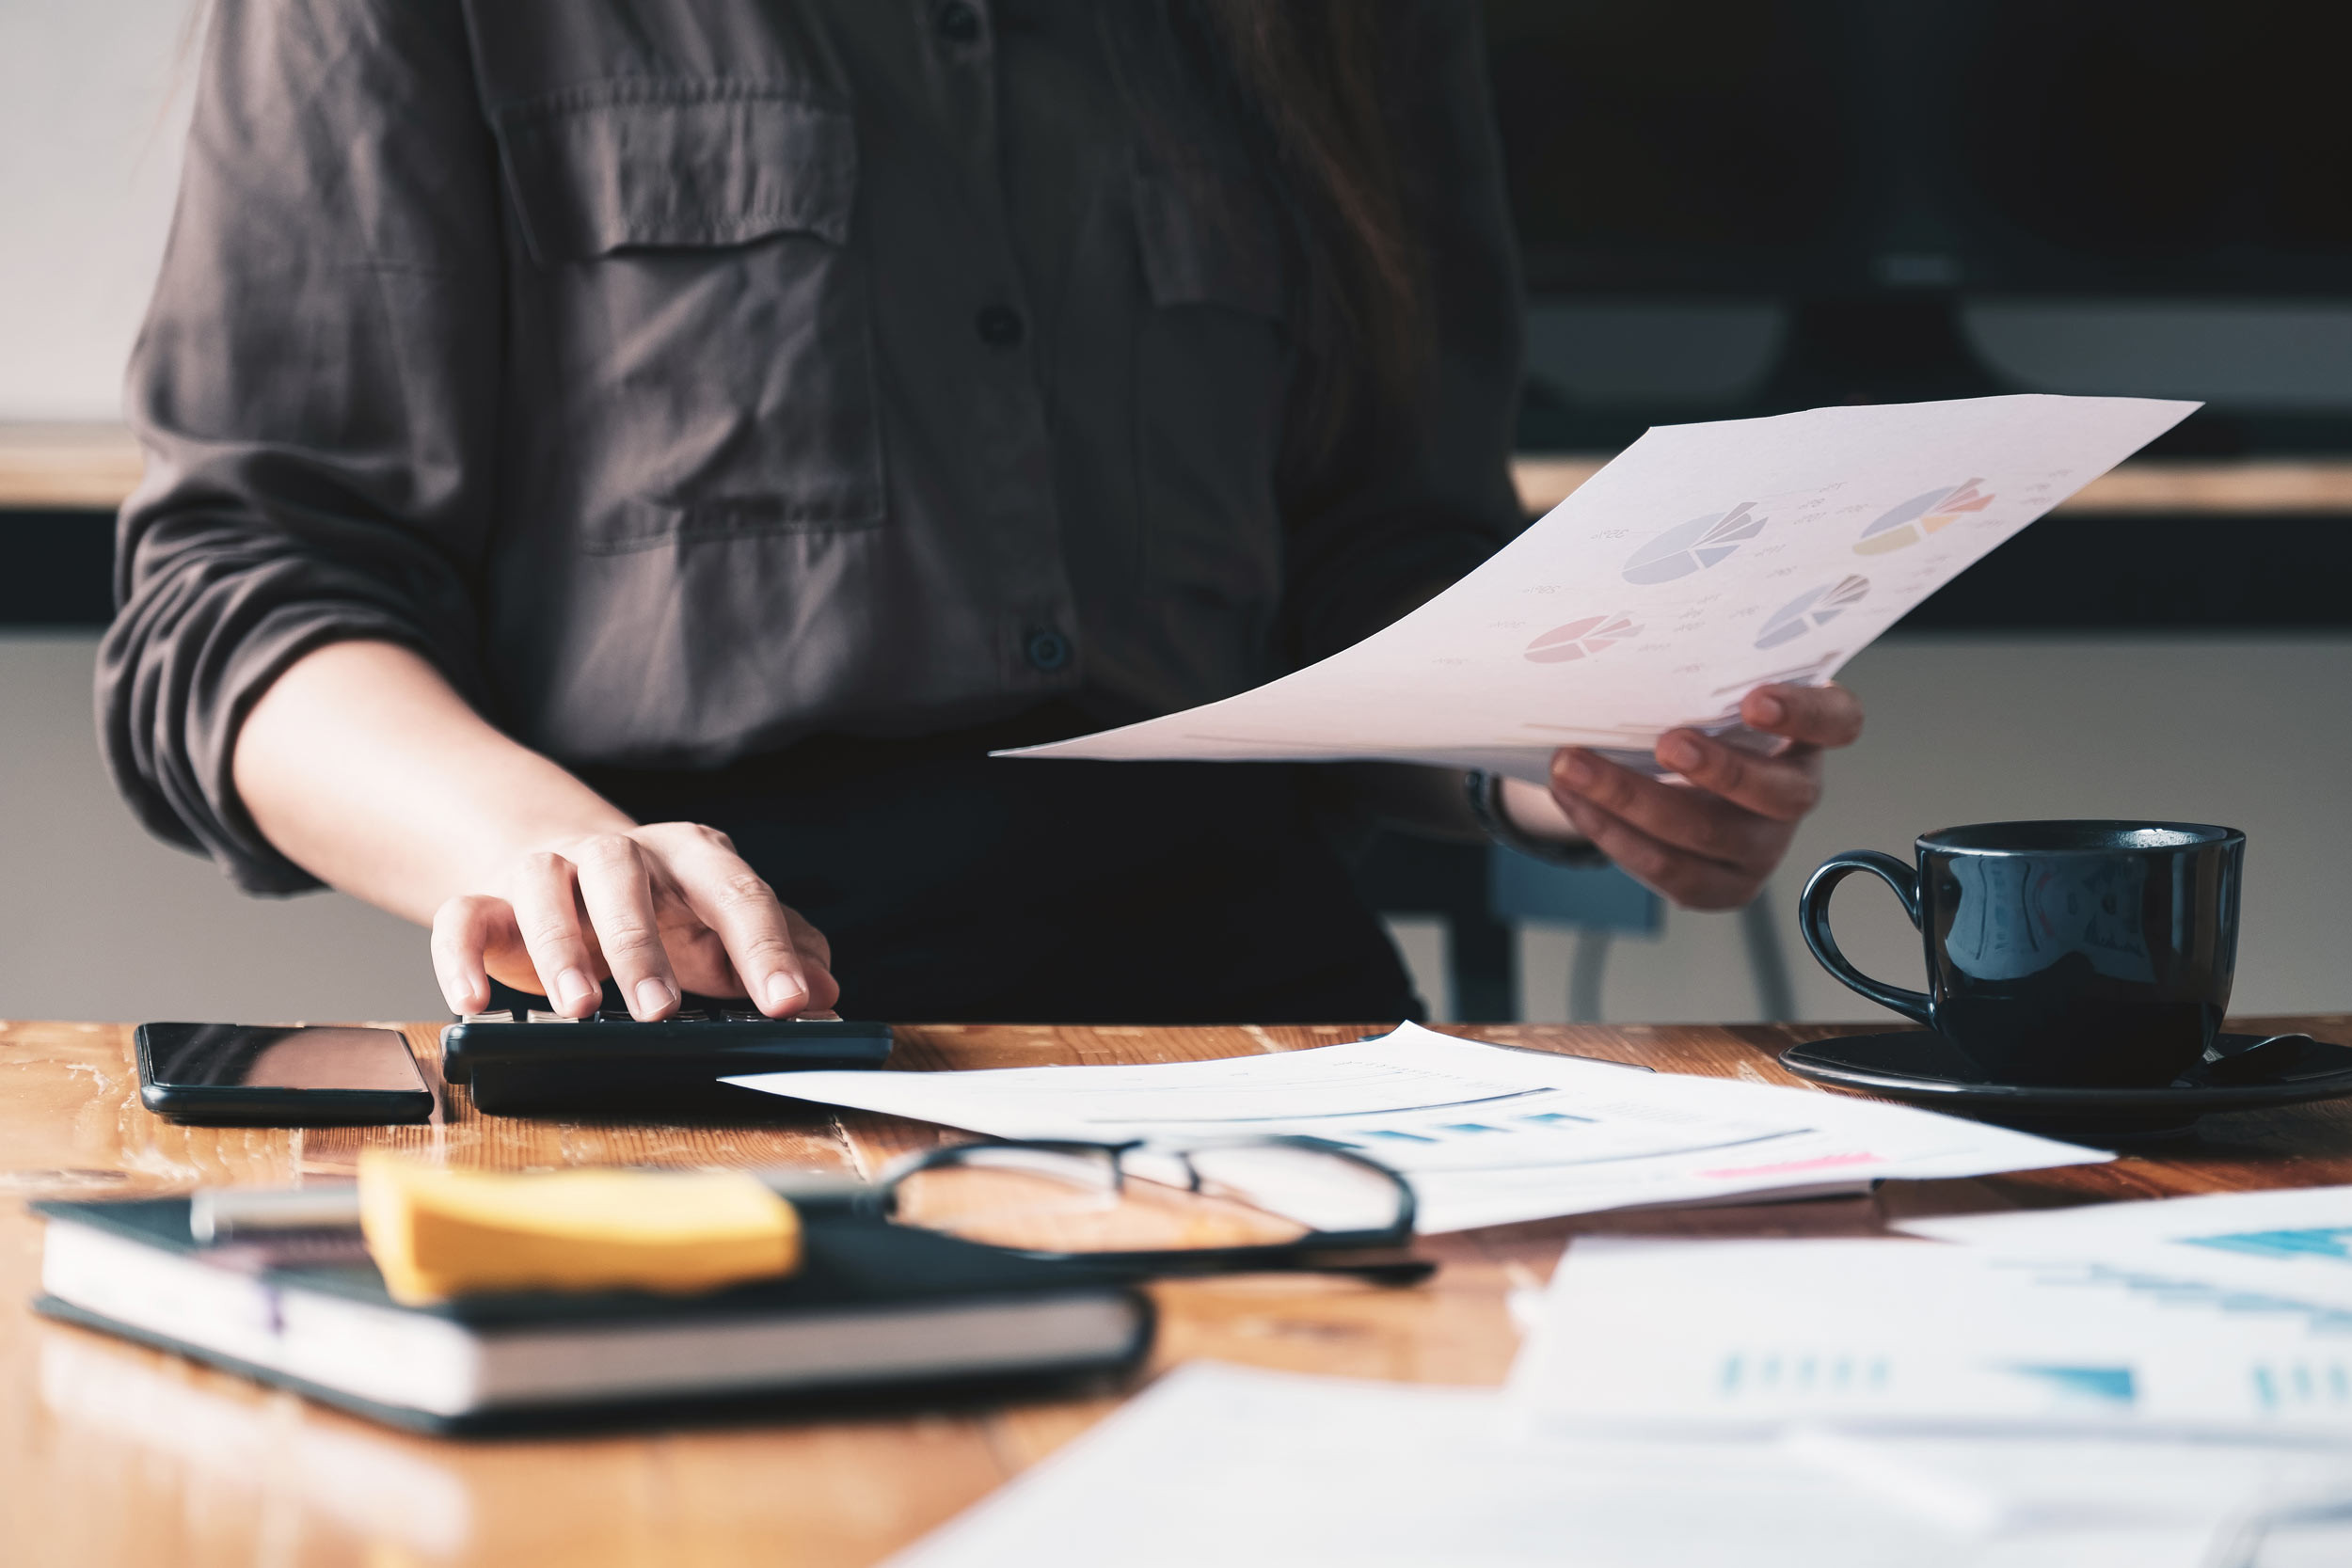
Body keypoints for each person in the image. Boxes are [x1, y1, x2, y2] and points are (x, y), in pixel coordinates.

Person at [101, 0, 1863, 1026]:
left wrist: (1575, 749)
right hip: (718, 1012)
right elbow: (244, 590)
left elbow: (1372, 547)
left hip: (1254, 1002)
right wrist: (539, 850)